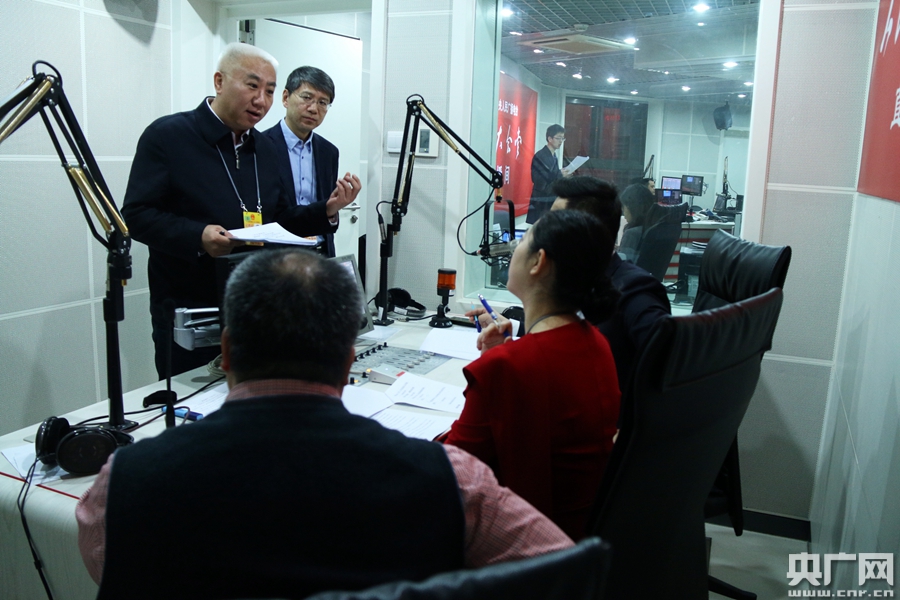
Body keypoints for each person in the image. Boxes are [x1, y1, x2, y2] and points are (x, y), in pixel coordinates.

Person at [76, 249, 574, 600]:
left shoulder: (122, 486)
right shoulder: (454, 483)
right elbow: (567, 572)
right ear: (348, 361)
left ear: (226, 351)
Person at [121, 43, 360, 379]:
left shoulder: (263, 147)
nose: (261, 100)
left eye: (269, 91)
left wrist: (327, 210)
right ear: (219, 82)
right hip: (191, 306)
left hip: (255, 304)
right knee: (194, 399)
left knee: (255, 397)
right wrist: (198, 236)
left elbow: (279, 219)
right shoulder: (169, 136)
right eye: (251, 86)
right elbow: (136, 215)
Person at [444, 211, 621, 541]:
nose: (513, 248)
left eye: (522, 240)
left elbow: (452, 472)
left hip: (527, 545)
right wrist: (501, 354)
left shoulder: (510, 366)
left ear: (539, 262)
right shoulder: (596, 342)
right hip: (576, 540)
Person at [550, 176, 671, 400]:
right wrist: (515, 329)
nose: (543, 231)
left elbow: (670, 364)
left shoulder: (635, 290)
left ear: (583, 234)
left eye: (552, 222)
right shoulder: (577, 280)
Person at [265, 66, 356, 257]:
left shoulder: (328, 152)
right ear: (285, 98)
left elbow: (327, 207)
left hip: (320, 253)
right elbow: (269, 214)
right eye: (306, 98)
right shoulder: (260, 146)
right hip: (278, 256)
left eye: (323, 102)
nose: (314, 109)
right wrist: (326, 209)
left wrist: (334, 209)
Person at [526, 124, 569, 224]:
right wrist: (560, 174)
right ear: (550, 138)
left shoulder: (553, 155)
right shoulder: (541, 156)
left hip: (549, 198)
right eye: (558, 138)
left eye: (563, 138)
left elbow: (551, 175)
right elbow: (540, 180)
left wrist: (561, 174)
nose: (561, 141)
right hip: (541, 200)